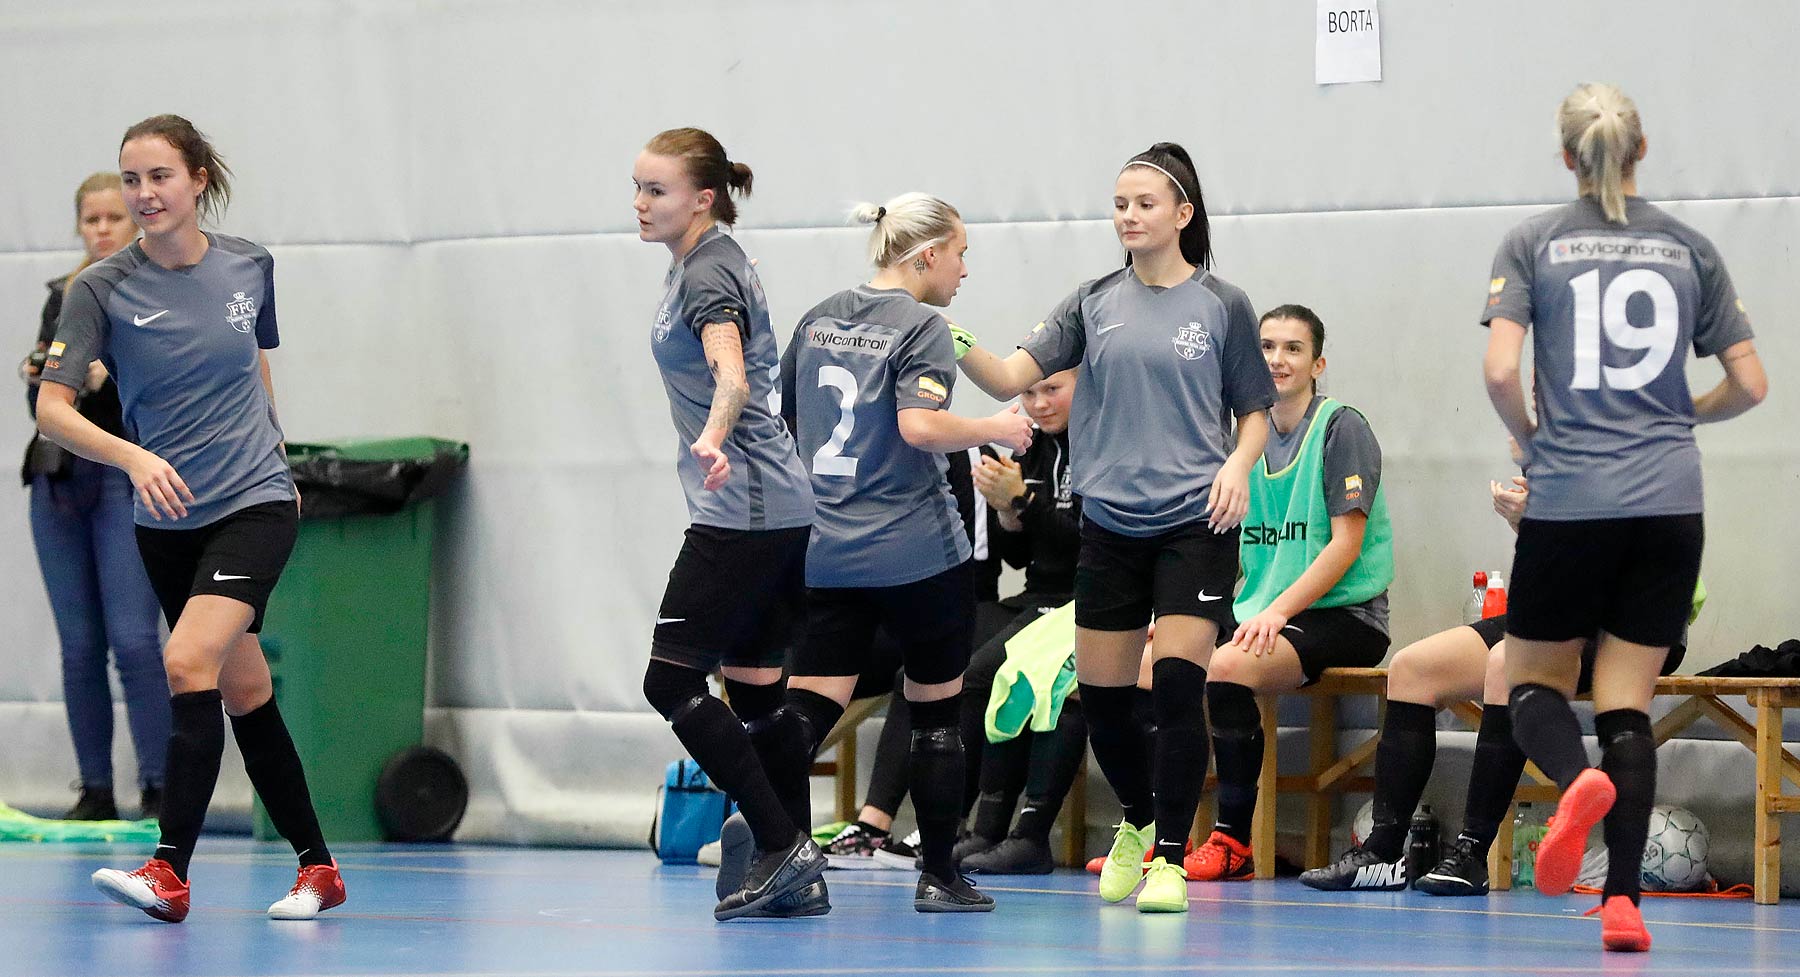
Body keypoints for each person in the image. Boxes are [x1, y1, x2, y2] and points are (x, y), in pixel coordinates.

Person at [37, 115, 344, 923]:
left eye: (159, 177)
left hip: (255, 501)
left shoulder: (249, 265)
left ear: (198, 179)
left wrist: (276, 452)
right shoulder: (99, 288)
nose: (143, 194)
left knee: (183, 661)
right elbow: (52, 410)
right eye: (130, 179)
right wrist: (135, 459)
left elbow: (256, 360)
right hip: (165, 518)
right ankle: (319, 868)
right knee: (243, 690)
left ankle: (169, 870)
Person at [956, 143, 1276, 913]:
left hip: (1195, 524)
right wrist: (942, 332)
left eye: (1145, 203)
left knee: (1174, 683)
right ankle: (1135, 818)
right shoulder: (1090, 301)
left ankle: (1169, 854)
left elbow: (1254, 412)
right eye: (1120, 204)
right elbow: (1007, 375)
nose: (1129, 216)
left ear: (1183, 215)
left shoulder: (1222, 304)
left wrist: (1237, 466)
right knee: (1099, 700)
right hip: (1110, 525)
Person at [1482, 84, 1765, 951]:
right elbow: (1751, 383)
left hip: (1572, 498)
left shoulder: (1533, 241)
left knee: (1524, 681)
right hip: (1670, 502)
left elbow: (1500, 370)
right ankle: (1624, 904)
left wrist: (1535, 440)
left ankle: (1574, 783)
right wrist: (1683, 416)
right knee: (1626, 703)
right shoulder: (1689, 246)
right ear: (1641, 150)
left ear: (1568, 156)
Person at [762, 191, 1031, 913]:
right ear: (929, 254)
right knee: (937, 712)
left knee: (810, 704)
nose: (966, 270)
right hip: (917, 552)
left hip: (827, 549)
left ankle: (770, 842)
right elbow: (918, 427)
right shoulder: (923, 325)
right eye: (963, 253)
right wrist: (994, 426)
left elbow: (783, 423)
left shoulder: (817, 316)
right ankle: (940, 873)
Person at [1301, 469, 1700, 896]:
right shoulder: (1550, 449)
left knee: (1506, 663)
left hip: (1634, 620)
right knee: (1412, 669)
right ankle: (1382, 855)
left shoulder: (1626, 448)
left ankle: (1473, 854)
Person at [629, 127, 826, 921]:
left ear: (702, 197)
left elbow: (733, 374)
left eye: (657, 191)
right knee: (754, 692)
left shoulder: (709, 271)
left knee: (669, 677)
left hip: (743, 506)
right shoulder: (711, 257)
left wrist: (712, 435)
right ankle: (798, 870)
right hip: (777, 503)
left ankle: (781, 844)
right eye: (638, 188)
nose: (641, 204)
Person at [1189, 304, 1394, 882]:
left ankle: (1233, 842)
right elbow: (1219, 547)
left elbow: (1345, 545)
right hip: (1265, 613)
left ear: (1316, 363)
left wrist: (1277, 611)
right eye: (1266, 347)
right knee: (1160, 664)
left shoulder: (1341, 427)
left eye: (1292, 348)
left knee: (1227, 668)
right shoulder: (1244, 440)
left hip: (1345, 616)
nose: (1276, 360)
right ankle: (1160, 838)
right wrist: (1187, 616)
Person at [20, 172, 169, 822]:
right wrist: (41, 377)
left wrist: (113, 373)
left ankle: (164, 786)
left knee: (135, 638)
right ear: (81, 225)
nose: (103, 229)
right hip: (59, 475)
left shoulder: (154, 292)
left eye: (114, 217)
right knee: (79, 644)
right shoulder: (65, 294)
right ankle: (95, 789)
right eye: (92, 219)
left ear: (133, 223)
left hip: (119, 471)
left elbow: (167, 392)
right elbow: (44, 402)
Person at [956, 368, 1087, 874]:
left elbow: (1087, 541)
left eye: (1052, 390)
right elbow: (1016, 554)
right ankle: (984, 828)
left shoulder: (1102, 443)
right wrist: (1007, 513)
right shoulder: (1032, 447)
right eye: (1028, 393)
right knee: (977, 675)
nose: (1039, 404)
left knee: (1046, 681)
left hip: (1094, 597)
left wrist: (1023, 503)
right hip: (1042, 596)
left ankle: (1030, 834)